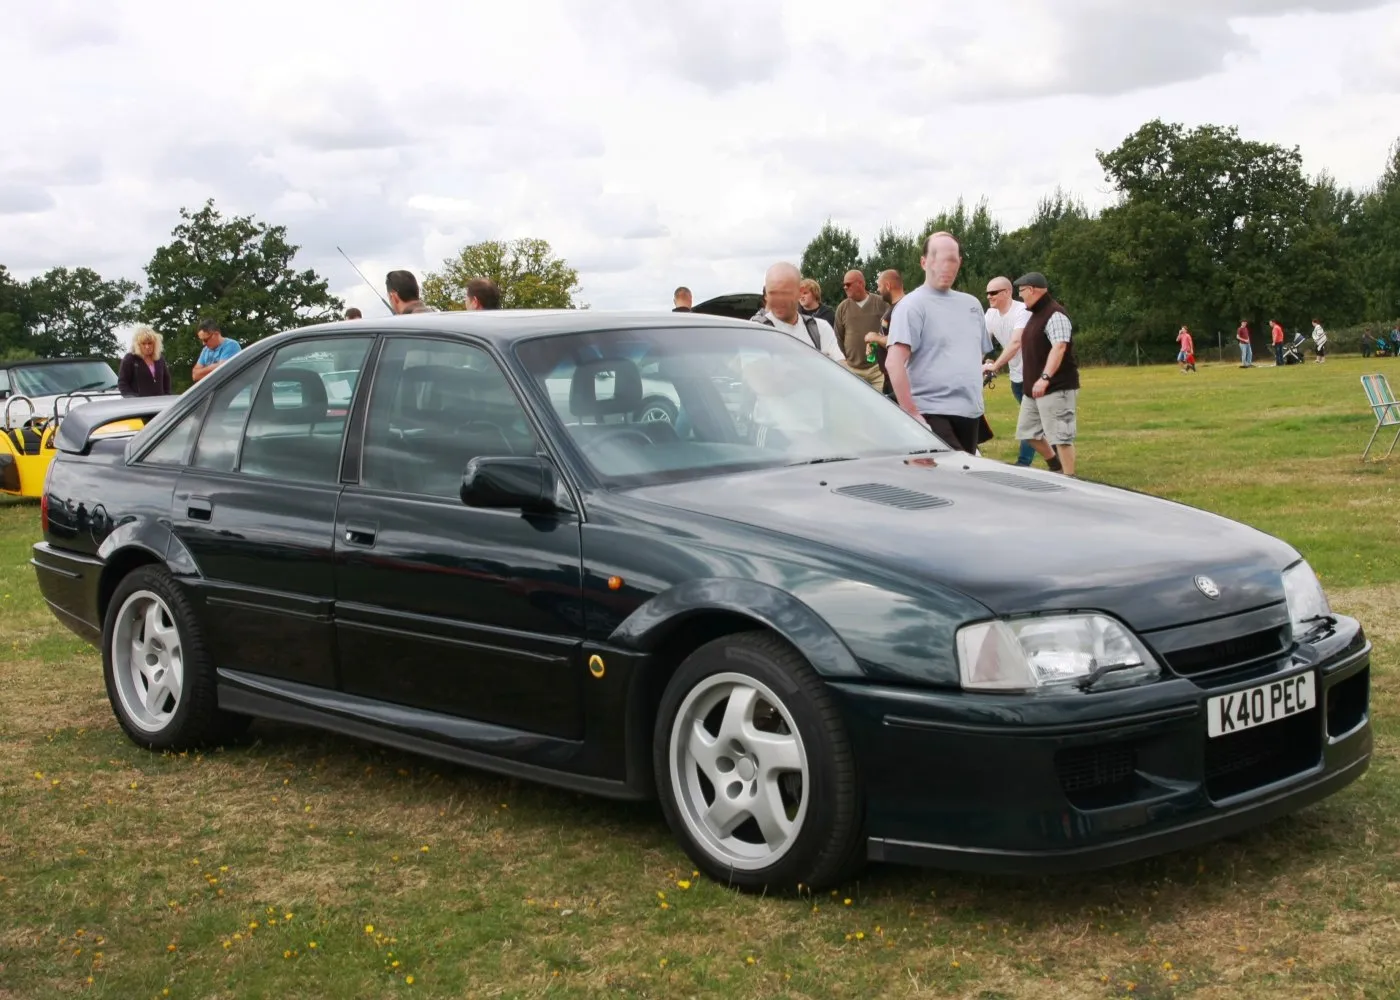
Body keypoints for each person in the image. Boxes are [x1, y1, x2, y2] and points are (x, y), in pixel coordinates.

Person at [885, 232, 992, 454]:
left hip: (970, 413)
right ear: (924, 262)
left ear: (959, 262)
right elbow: (893, 363)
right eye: (938, 259)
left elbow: (975, 354)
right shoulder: (912, 306)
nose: (946, 266)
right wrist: (913, 414)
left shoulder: (972, 305)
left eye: (951, 260)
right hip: (930, 412)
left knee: (962, 483)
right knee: (954, 477)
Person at [1014, 271, 1080, 476]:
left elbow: (1059, 347)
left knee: (1061, 437)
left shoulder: (1055, 314)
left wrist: (1045, 378)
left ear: (1032, 290)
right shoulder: (1035, 315)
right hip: (1033, 390)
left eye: (1021, 291)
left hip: (1055, 388)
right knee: (1027, 433)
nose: (1020, 296)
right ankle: (1055, 466)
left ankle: (1070, 480)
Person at [982, 276, 1044, 467]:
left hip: (1036, 374)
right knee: (1038, 422)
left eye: (993, 293)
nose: (989, 297)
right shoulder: (991, 315)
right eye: (987, 293)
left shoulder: (1022, 311)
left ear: (1007, 292)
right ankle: (1057, 459)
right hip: (1017, 377)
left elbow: (1016, 343)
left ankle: (1023, 464)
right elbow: (980, 343)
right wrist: (980, 365)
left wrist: (995, 365)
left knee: (1030, 422)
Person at [756, 263, 845, 362]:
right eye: (773, 293)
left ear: (799, 292)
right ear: (766, 296)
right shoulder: (755, 330)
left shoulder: (820, 328)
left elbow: (841, 366)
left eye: (785, 293)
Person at [833, 270, 887, 391]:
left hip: (877, 370)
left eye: (848, 284)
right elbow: (839, 337)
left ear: (861, 284)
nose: (845, 287)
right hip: (853, 370)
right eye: (844, 285)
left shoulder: (881, 303)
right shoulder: (842, 308)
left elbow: (891, 333)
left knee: (878, 407)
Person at [867, 269, 904, 399]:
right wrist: (875, 343)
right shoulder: (892, 307)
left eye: (879, 286)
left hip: (901, 378)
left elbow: (899, 341)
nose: (877, 289)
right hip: (890, 377)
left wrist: (875, 337)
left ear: (888, 286)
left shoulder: (904, 308)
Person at [117, 326, 172, 397]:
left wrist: (167, 396)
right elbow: (122, 383)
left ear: (155, 344)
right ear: (138, 344)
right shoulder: (130, 359)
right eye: (143, 343)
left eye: (150, 343)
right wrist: (133, 398)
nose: (147, 346)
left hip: (159, 403)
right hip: (139, 405)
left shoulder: (160, 358)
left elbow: (166, 380)